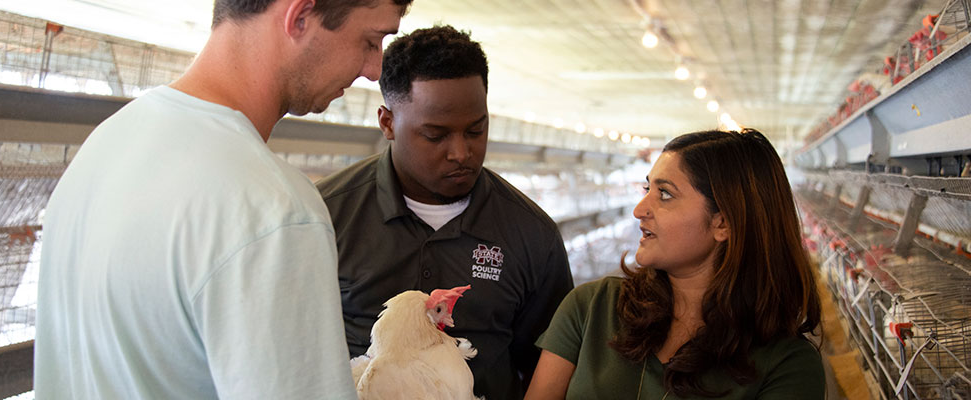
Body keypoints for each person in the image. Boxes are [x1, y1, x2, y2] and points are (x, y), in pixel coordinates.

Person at [34, 0, 412, 398]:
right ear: (299, 17)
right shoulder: (272, 208)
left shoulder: (105, 145)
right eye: (370, 41)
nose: (373, 70)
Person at [316, 25, 574, 400]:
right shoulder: (325, 216)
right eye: (435, 135)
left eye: (475, 130)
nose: (460, 153)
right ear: (387, 123)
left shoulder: (531, 234)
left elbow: (550, 368)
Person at [526, 129, 825, 399]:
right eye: (647, 190)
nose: (639, 209)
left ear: (724, 222)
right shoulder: (592, 308)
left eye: (665, 194)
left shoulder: (787, 367)